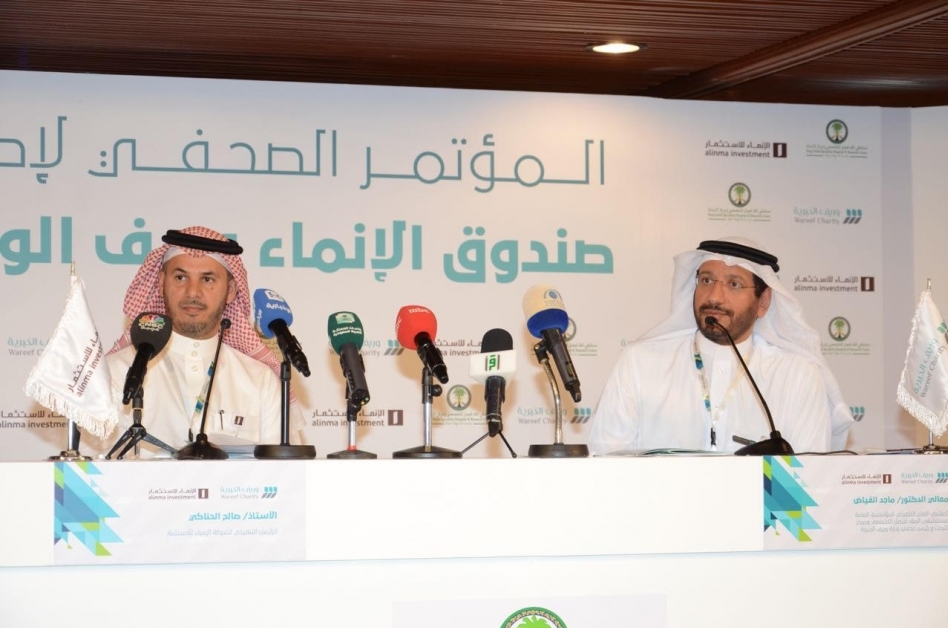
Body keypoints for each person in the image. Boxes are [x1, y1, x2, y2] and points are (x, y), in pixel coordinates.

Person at [588, 237, 853, 455]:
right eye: (706, 280)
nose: (714, 296)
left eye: (734, 284)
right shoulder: (640, 362)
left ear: (763, 302)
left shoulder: (797, 375)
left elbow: (805, 481)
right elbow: (607, 460)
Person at [106, 226, 300, 454]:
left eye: (207, 279)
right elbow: (94, 467)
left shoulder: (261, 382)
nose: (192, 292)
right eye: (180, 277)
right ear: (160, 283)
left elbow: (284, 471)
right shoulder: (116, 372)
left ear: (230, 290)